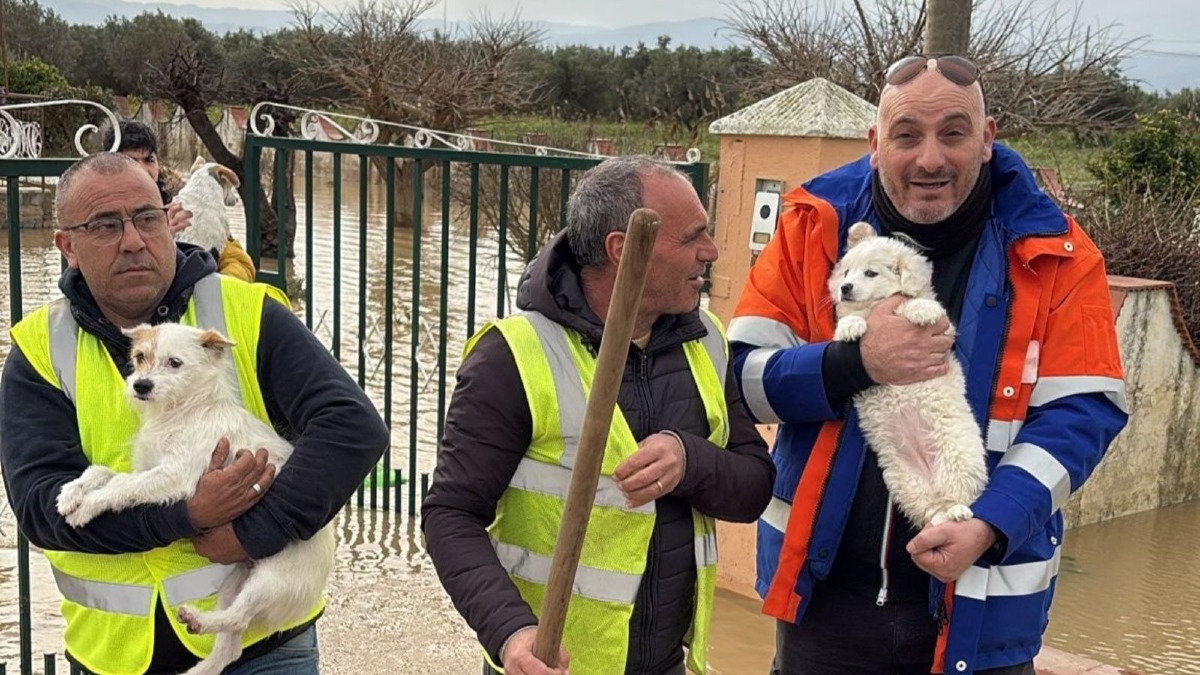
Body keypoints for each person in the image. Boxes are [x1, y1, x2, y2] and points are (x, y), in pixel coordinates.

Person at [729, 55, 1129, 675]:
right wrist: (854, 362)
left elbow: (1084, 411)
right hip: (824, 598)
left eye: (953, 132)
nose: (930, 159)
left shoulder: (1058, 254)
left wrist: (991, 523)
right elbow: (740, 379)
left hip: (981, 596)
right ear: (875, 144)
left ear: (988, 139)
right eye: (907, 135)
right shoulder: (811, 227)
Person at [0, 152, 390, 675]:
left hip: (262, 649)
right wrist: (186, 517)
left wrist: (254, 533)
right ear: (67, 246)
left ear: (171, 219)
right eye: (105, 226)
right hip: (112, 655)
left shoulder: (246, 310)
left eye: (147, 217)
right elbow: (42, 510)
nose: (134, 240)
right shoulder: (39, 349)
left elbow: (352, 429)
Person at [422, 155, 775, 675]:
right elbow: (450, 516)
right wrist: (510, 631)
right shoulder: (513, 357)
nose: (712, 251)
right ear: (622, 248)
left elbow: (753, 488)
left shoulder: (708, 344)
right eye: (692, 238)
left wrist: (689, 461)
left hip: (669, 664)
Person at [103, 119, 257, 282]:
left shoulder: (186, 203)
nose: (144, 170)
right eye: (132, 162)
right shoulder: (97, 215)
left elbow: (236, 259)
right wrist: (162, 241)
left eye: (149, 160)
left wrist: (220, 284)